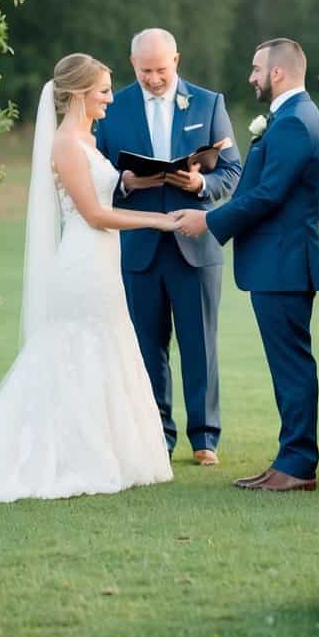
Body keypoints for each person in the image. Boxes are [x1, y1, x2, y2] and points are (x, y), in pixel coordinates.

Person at [0, 54, 175, 502]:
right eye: (104, 90)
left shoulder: (85, 138)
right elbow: (94, 213)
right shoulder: (67, 143)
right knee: (75, 354)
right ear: (79, 93)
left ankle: (113, 452)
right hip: (84, 262)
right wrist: (159, 222)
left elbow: (101, 188)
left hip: (102, 262)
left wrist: (138, 182)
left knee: (106, 349)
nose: (111, 97)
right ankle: (69, 456)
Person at [174, 38, 319, 493]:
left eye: (257, 68)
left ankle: (298, 465)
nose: (251, 77)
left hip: (283, 265)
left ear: (277, 73)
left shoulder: (295, 123)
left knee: (292, 367)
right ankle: (289, 458)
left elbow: (268, 195)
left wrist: (209, 220)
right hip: (277, 264)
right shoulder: (290, 118)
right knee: (288, 366)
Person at [95, 28, 241, 465]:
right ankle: (157, 434)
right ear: (132, 63)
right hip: (138, 244)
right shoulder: (112, 107)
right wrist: (124, 181)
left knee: (200, 343)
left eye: (160, 70)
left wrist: (201, 183)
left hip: (193, 241)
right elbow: (97, 173)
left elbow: (231, 171)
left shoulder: (208, 103)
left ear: (176, 60)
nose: (154, 79)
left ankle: (204, 437)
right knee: (146, 346)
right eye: (145, 71)